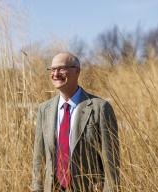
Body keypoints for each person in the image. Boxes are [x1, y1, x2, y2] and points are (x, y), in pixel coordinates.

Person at [32, 52, 120, 192]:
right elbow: (39, 158)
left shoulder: (100, 108)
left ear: (77, 71)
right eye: (52, 69)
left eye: (61, 68)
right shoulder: (44, 109)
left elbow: (111, 162)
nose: (55, 74)